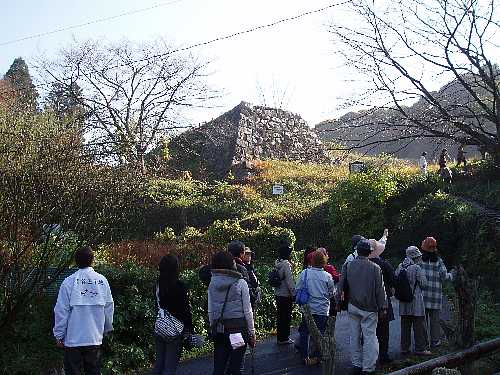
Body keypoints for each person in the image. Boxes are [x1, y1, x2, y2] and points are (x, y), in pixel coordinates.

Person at [53, 246, 114, 375]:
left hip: (72, 338)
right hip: (94, 337)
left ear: (76, 261)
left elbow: (61, 310)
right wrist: (106, 329)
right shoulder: (102, 281)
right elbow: (109, 306)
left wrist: (59, 335)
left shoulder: (68, 282)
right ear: (92, 260)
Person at [337, 239, 387, 375]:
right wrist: (383, 307)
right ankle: (368, 367)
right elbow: (380, 290)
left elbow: (340, 286)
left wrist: (338, 303)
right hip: (370, 308)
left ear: (357, 251)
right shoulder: (375, 268)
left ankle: (356, 364)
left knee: (354, 335)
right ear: (370, 252)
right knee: (370, 336)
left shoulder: (348, 265)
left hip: (352, 305)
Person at [208, 251, 256, 375]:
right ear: (231, 264)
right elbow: (248, 311)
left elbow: (211, 311)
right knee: (235, 365)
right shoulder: (241, 283)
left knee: (219, 366)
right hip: (237, 332)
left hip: (219, 331)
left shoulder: (212, 284)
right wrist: (251, 332)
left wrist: (213, 326)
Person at [152, 254, 193, 375]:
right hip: (175, 329)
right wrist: (189, 328)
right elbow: (185, 310)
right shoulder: (179, 286)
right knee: (170, 366)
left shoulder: (157, 285)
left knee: (159, 363)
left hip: (160, 326)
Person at [296, 250, 335, 366]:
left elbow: (298, 288)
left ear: (312, 261)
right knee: (321, 333)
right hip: (322, 309)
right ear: (324, 262)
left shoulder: (304, 273)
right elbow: (332, 293)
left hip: (308, 309)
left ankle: (305, 356)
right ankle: (318, 356)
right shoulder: (327, 276)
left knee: (305, 332)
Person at [395, 246, 430, 356]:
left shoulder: (400, 266)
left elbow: (395, 280)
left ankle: (404, 348)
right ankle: (420, 348)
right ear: (416, 256)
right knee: (418, 326)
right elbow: (424, 284)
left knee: (405, 327)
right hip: (415, 302)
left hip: (403, 302)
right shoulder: (416, 268)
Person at [420, 237, 453, 349]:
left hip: (423, 296)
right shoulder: (438, 261)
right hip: (435, 296)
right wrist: (452, 274)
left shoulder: (420, 261)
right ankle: (435, 341)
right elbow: (444, 276)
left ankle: (424, 343)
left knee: (423, 322)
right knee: (435, 321)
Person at [368, 236, 396, 364]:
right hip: (383, 300)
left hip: (366, 301)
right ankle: (383, 355)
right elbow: (393, 280)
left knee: (369, 331)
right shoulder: (383, 264)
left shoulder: (360, 264)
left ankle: (370, 357)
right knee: (383, 331)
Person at [273, 243, 296, 345]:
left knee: (280, 316)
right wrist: (294, 293)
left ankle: (280, 338)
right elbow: (289, 281)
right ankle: (285, 338)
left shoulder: (277, 262)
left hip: (278, 293)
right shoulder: (286, 264)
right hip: (286, 295)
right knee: (286, 317)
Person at [242, 247, 261, 311]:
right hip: (247, 297)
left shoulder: (251, 267)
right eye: (246, 254)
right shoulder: (242, 268)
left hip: (254, 296)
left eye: (249, 254)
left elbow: (256, 281)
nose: (248, 256)